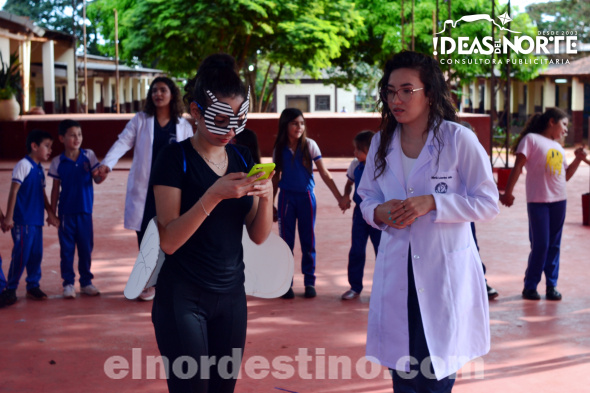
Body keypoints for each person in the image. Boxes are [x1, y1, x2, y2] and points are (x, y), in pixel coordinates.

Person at [357, 51, 499, 391]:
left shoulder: (457, 139)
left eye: (407, 90)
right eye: (390, 91)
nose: (396, 99)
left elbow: (488, 203)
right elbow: (367, 198)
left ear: (430, 94)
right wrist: (380, 212)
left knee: (436, 377)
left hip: (442, 275)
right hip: (397, 274)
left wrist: (433, 202)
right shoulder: (381, 143)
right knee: (403, 375)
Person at [150, 53, 273, 393]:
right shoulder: (175, 159)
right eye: (220, 119)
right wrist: (213, 194)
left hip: (231, 296)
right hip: (182, 296)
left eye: (237, 120)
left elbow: (259, 235)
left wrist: (267, 195)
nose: (230, 130)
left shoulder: (242, 157)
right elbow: (169, 240)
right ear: (195, 112)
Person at [96, 76, 193, 301]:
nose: (158, 94)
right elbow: (123, 142)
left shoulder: (183, 125)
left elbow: (191, 154)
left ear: (172, 94)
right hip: (146, 189)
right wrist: (107, 164)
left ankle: (169, 281)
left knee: (171, 232)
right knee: (146, 234)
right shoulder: (140, 120)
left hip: (172, 189)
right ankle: (149, 282)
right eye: (154, 91)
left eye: (163, 90)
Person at [499, 108, 586, 301]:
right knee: (541, 245)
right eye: (564, 125)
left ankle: (551, 286)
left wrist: (578, 159)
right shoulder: (531, 140)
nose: (565, 130)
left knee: (554, 245)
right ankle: (530, 286)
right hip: (538, 201)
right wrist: (508, 193)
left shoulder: (559, 148)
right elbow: (518, 166)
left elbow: (566, 176)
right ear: (551, 122)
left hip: (559, 201)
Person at [272, 108, 344, 299]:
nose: (299, 127)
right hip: (286, 198)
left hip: (306, 199)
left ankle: (309, 282)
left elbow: (325, 174)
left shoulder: (310, 145)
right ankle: (286, 284)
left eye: (302, 123)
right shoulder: (278, 148)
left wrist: (340, 198)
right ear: (285, 125)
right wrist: (270, 203)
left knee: (308, 241)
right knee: (286, 243)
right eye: (295, 123)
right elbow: (275, 178)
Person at [2, 130, 59, 306]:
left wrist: (50, 212)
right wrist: (9, 217)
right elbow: (14, 190)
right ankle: (10, 289)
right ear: (34, 146)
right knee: (21, 255)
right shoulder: (23, 165)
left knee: (36, 255)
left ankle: (32, 285)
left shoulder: (40, 169)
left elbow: (42, 194)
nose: (50, 150)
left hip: (36, 221)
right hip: (23, 221)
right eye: (46, 146)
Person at [49, 119, 104, 299]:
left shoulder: (89, 156)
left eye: (79, 134)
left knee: (85, 248)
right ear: (61, 138)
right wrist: (52, 213)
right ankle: (68, 283)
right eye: (72, 135)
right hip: (65, 214)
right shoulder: (58, 162)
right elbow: (55, 189)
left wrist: (102, 175)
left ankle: (86, 282)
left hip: (85, 212)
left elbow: (96, 179)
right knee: (67, 250)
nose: (77, 138)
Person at [339, 130, 381, 300]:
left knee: (381, 250)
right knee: (357, 249)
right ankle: (355, 287)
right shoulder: (355, 165)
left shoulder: (382, 165)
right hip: (360, 213)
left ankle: (382, 288)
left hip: (379, 214)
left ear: (370, 150)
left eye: (358, 150)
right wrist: (345, 196)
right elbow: (349, 184)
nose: (354, 153)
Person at [459, 121, 499, 300]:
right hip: (448, 215)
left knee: (472, 245)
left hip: (466, 213)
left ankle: (479, 279)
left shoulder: (476, 156)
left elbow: (487, 200)